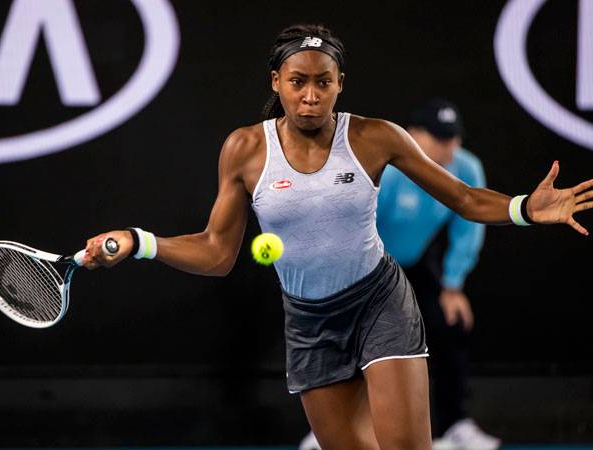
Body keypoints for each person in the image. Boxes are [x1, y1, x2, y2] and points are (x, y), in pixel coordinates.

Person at [82, 24, 593, 450]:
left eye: (323, 82)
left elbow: (462, 198)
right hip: (309, 321)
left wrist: (525, 209)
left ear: (340, 83)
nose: (310, 96)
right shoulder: (244, 149)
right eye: (298, 82)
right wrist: (139, 241)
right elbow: (216, 252)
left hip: (380, 303)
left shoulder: (375, 137)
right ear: (277, 81)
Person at [377, 99, 499, 450]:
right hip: (368, 266)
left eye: (455, 138)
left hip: (415, 264)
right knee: (355, 335)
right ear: (412, 135)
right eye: (441, 138)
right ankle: (332, 430)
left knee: (450, 321)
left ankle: (454, 424)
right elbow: (358, 228)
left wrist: (452, 285)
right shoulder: (388, 172)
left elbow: (468, 229)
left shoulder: (466, 167)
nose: (451, 148)